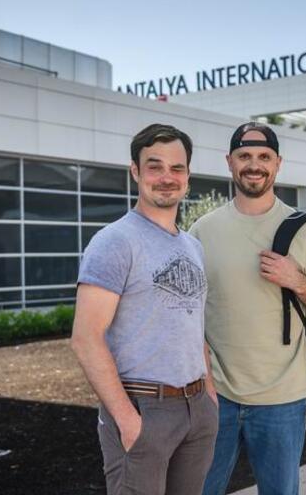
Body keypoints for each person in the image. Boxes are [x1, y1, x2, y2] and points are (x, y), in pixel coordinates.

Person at [190, 122, 306, 495]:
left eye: (264, 157)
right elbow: (188, 312)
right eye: (244, 156)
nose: (254, 165)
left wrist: (297, 280)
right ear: (229, 162)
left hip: (283, 400)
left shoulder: (305, 232)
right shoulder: (202, 231)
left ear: (278, 164)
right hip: (217, 396)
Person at [72, 123, 218, 495]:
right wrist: (126, 419)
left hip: (197, 409)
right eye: (155, 167)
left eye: (177, 168)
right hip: (143, 409)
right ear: (135, 172)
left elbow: (194, 325)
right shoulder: (114, 241)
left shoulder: (193, 247)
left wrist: (209, 396)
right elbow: (86, 338)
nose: (167, 177)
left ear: (188, 176)